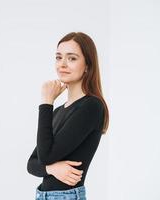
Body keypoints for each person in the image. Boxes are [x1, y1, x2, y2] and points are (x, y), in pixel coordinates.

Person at [27, 31, 109, 200]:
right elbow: (32, 164)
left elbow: (46, 156)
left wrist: (46, 102)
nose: (62, 64)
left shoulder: (91, 106)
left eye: (71, 58)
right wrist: (52, 169)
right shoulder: (58, 111)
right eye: (58, 57)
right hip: (43, 195)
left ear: (87, 65)